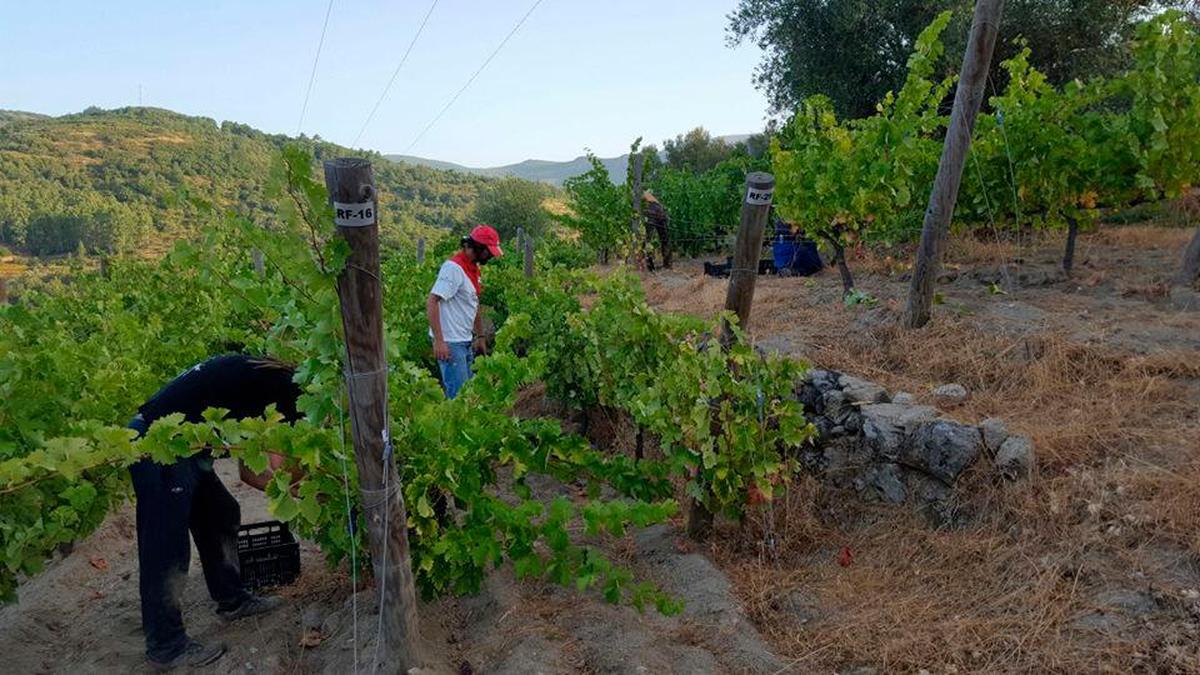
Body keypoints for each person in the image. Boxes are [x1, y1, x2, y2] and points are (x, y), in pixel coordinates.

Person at [126, 354, 303, 670]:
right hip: (158, 444)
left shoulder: (265, 377)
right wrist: (298, 491)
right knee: (166, 547)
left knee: (220, 512)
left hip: (187, 445)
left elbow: (249, 468)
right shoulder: (287, 394)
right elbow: (263, 471)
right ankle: (166, 646)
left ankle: (232, 599)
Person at [426, 224, 503, 398]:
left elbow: (473, 304)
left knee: (469, 397)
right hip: (451, 344)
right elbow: (432, 301)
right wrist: (439, 341)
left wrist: (480, 336)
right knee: (459, 401)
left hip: (464, 341)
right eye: (488, 252)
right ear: (478, 247)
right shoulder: (453, 269)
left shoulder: (473, 269)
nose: (490, 256)